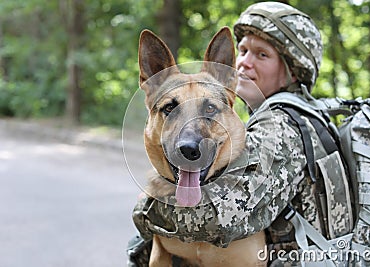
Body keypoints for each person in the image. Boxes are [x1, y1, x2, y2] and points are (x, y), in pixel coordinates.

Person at [127, 2, 352, 266]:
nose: (244, 62)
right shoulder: (267, 119)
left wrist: (146, 206)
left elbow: (217, 217)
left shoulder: (283, 128)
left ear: (293, 71)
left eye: (261, 55)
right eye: (243, 50)